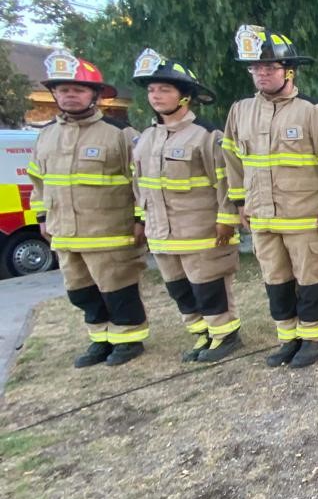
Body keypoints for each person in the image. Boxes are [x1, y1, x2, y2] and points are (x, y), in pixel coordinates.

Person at [222, 25, 318, 369]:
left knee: (310, 279)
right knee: (276, 280)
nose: (262, 74)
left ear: (288, 71)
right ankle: (287, 338)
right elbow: (232, 158)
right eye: (256, 68)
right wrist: (240, 202)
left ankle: (312, 338)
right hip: (262, 216)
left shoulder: (312, 111)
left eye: (270, 68)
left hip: (305, 216)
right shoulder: (240, 111)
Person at [30, 49, 148, 367]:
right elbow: (39, 182)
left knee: (118, 287)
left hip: (109, 231)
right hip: (65, 232)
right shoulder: (46, 136)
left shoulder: (120, 134)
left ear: (94, 95)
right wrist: (41, 216)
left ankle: (128, 339)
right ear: (53, 93)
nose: (70, 95)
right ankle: (100, 338)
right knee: (80, 291)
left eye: (78, 89)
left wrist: (141, 219)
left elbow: (142, 180)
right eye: (63, 89)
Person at [131, 49, 243, 363]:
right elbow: (139, 186)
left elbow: (225, 182)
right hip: (162, 233)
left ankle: (224, 335)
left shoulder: (207, 136)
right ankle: (201, 335)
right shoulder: (145, 139)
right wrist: (140, 220)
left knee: (209, 287)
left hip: (201, 230)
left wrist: (227, 219)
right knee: (179, 289)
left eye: (165, 89)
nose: (156, 95)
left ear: (185, 96)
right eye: (152, 90)